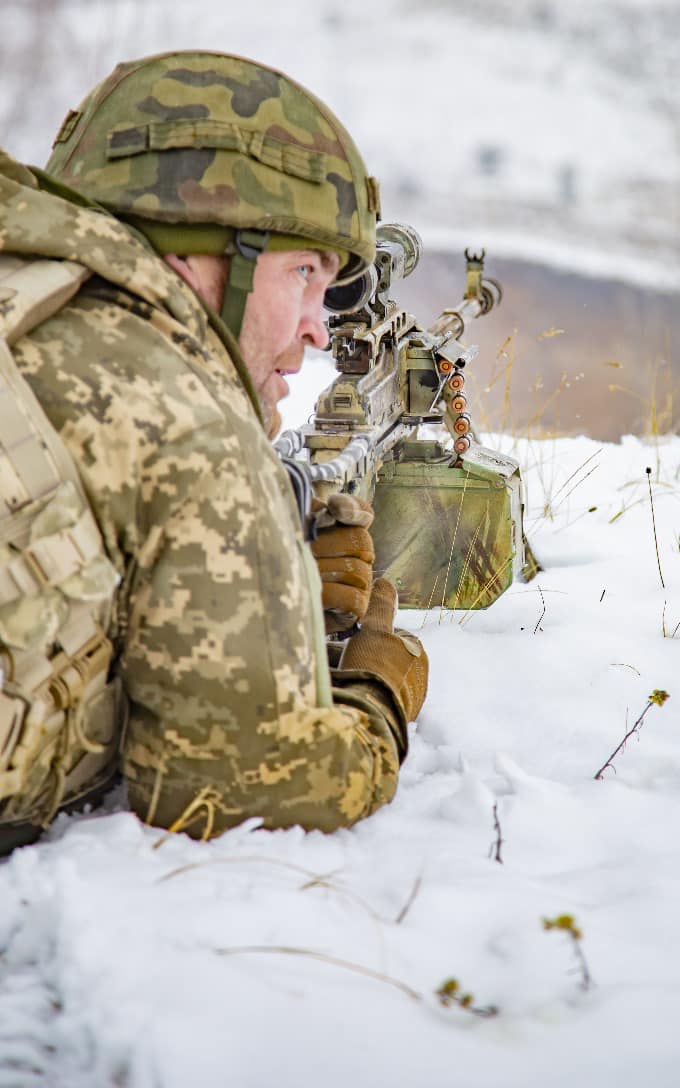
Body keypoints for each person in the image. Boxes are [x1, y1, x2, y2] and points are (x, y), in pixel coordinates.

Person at [0, 50, 428, 847]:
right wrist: (373, 694)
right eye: (303, 272)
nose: (314, 327)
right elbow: (235, 784)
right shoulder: (185, 416)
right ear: (199, 253)